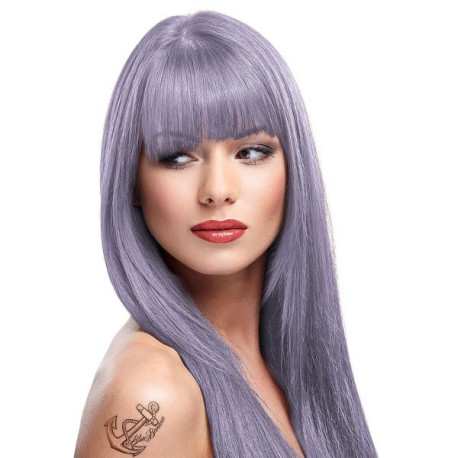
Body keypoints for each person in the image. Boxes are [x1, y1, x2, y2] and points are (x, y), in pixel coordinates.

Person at [74, 10, 378, 458]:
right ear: (132, 181)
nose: (217, 190)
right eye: (178, 157)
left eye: (250, 152)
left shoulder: (283, 362)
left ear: (294, 168)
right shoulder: (154, 392)